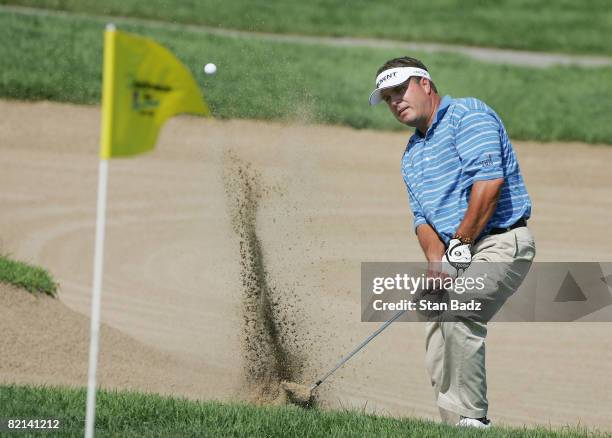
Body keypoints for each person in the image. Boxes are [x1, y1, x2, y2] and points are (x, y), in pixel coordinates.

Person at [369, 56, 536, 428]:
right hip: (461, 250)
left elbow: (489, 184)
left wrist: (459, 242)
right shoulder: (411, 156)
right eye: (387, 97)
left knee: (460, 308)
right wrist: (435, 258)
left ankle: (474, 421)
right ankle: (453, 424)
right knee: (437, 322)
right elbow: (421, 219)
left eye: (401, 90)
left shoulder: (468, 115)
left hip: (501, 242)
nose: (395, 101)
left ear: (425, 85)